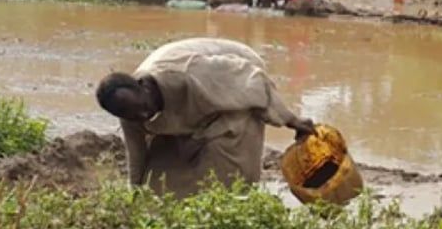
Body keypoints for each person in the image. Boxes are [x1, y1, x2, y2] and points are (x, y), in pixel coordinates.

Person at [95, 38, 316, 198]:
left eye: (143, 108)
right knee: (159, 181)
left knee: (224, 157)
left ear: (143, 86)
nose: (143, 116)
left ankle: (236, 203)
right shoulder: (130, 111)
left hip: (235, 70)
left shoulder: (186, 75)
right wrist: (134, 193)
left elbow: (253, 82)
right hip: (202, 93)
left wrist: (290, 119)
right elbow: (137, 154)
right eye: (133, 116)